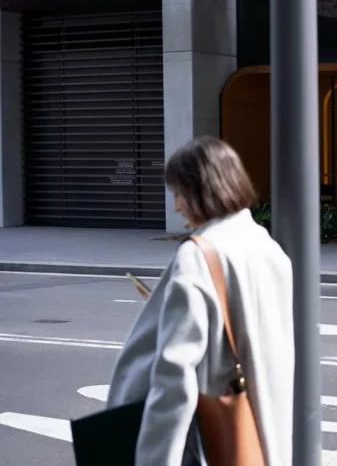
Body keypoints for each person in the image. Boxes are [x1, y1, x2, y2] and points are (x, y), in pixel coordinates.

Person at [106, 136, 295, 466]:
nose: (177, 206)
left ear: (199, 191)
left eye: (178, 193)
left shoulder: (199, 255)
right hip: (261, 432)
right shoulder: (268, 249)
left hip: (210, 440)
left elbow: (173, 381)